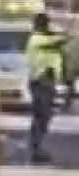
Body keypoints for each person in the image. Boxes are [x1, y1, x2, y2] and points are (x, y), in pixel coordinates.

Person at [24, 13, 66, 162]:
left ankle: (37, 147)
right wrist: (66, 36)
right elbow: (55, 43)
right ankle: (36, 149)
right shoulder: (36, 39)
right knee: (41, 116)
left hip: (48, 82)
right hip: (40, 82)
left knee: (45, 116)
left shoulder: (46, 37)